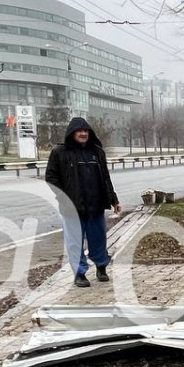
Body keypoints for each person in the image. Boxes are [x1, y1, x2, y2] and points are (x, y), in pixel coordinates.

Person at [45, 116, 121, 287]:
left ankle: (101, 267)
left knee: (99, 240)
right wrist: (63, 197)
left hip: (96, 206)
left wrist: (114, 200)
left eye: (85, 130)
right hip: (71, 208)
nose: (83, 133)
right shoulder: (59, 152)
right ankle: (80, 273)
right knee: (75, 243)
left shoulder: (97, 152)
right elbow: (51, 177)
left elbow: (106, 179)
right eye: (79, 131)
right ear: (72, 133)